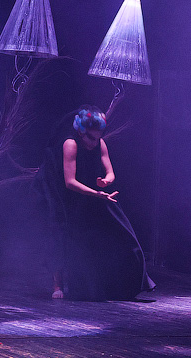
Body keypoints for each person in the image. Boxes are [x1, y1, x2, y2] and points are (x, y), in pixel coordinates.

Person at [39, 106, 155, 300]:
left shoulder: (100, 143)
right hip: (60, 191)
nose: (94, 142)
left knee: (119, 230)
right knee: (59, 232)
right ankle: (57, 283)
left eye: (98, 137)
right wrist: (96, 193)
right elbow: (69, 182)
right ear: (81, 132)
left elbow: (110, 172)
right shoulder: (70, 144)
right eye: (91, 138)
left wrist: (106, 182)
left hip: (90, 190)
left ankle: (120, 282)